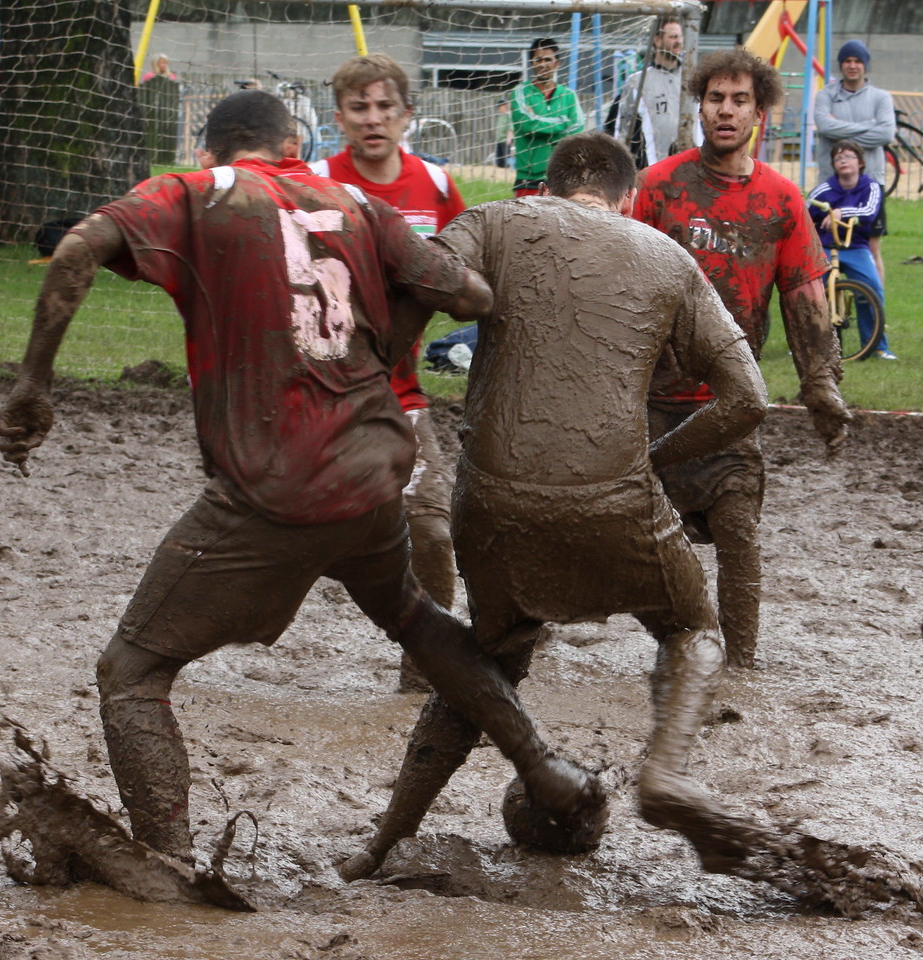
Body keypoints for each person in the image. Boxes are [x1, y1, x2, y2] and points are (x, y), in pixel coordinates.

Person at [0, 90, 595, 869]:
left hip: (274, 484)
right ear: (292, 148)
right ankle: (543, 766)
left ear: (211, 151)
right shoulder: (356, 202)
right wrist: (387, 350)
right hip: (373, 467)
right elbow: (469, 294)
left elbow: (78, 250)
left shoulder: (196, 192)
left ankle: (171, 868)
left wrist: (33, 385)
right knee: (411, 614)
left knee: (131, 671)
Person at [340, 132, 770, 883]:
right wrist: (656, 458)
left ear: (546, 187)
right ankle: (665, 775)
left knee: (486, 666)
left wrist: (375, 388)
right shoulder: (667, 256)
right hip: (617, 495)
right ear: (628, 199)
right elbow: (749, 400)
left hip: (494, 499)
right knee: (692, 630)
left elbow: (414, 284)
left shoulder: (496, 220)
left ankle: (380, 846)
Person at [634, 48, 851, 669]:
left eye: (739, 101)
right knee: (619, 542)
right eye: (715, 99)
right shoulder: (658, 187)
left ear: (760, 113)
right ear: (699, 107)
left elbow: (806, 299)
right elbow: (615, 280)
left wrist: (821, 386)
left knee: (738, 536)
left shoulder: (780, 201)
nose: (725, 111)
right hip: (648, 405)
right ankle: (536, 635)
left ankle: (741, 669)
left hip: (729, 410)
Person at [310, 53, 466, 692]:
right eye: (359, 107)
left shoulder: (436, 185)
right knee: (274, 534)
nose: (372, 119)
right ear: (339, 118)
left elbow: (465, 275)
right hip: (318, 395)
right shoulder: (315, 181)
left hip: (399, 394)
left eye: (384, 107)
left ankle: (427, 673)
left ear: (407, 115)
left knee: (431, 528)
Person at [813, 39, 895, 291]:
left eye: (857, 61)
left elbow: (886, 134)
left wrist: (840, 134)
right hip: (832, 186)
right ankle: (828, 303)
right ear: (841, 65)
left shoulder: (880, 97)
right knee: (824, 247)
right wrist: (869, 126)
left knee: (871, 247)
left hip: (870, 185)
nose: (852, 65)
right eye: (847, 61)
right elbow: (824, 126)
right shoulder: (826, 95)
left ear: (865, 65)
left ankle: (874, 303)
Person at [807, 139, 894, 359]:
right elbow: (804, 213)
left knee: (871, 288)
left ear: (860, 163)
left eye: (848, 156)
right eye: (838, 158)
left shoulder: (871, 187)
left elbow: (869, 212)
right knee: (813, 292)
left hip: (856, 248)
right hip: (826, 247)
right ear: (833, 165)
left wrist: (840, 212)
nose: (843, 161)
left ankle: (877, 346)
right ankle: (809, 344)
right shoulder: (823, 190)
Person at [611, 16, 700, 167]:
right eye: (673, 37)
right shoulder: (637, 82)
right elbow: (622, 132)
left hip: (695, 168)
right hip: (656, 169)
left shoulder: (694, 78)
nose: (678, 41)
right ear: (657, 40)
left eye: (680, 37)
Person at [509, 38, 585, 197]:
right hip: (528, 179)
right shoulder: (520, 92)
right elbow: (526, 124)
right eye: (538, 60)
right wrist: (563, 122)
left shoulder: (569, 95)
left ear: (557, 63)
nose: (542, 64)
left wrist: (540, 127)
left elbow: (578, 128)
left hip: (563, 177)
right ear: (532, 63)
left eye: (548, 60)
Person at [494, 100, 513, 168]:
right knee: (499, 159)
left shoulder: (508, 115)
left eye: (506, 105)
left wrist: (509, 138)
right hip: (499, 139)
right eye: (503, 106)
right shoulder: (500, 116)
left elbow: (511, 127)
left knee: (506, 158)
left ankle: (508, 169)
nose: (506, 107)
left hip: (505, 139)